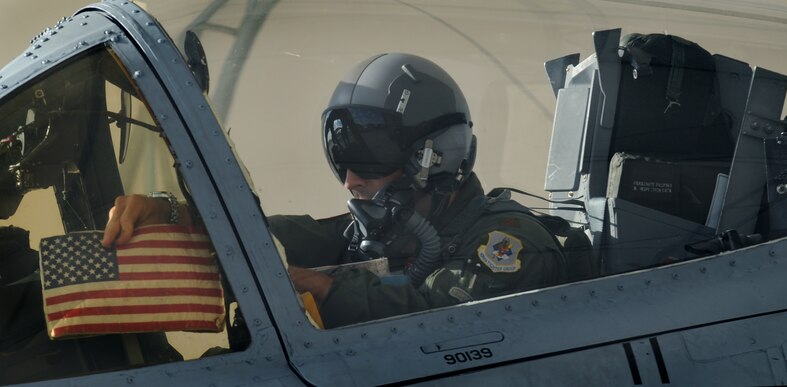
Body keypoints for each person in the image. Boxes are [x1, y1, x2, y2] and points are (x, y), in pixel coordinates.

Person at [103, 53, 566, 328]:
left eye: (368, 161)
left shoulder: (510, 245)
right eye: (342, 162)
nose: (351, 181)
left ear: (433, 157)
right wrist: (174, 214)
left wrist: (322, 288)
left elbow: (441, 319)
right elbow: (282, 237)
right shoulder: (387, 232)